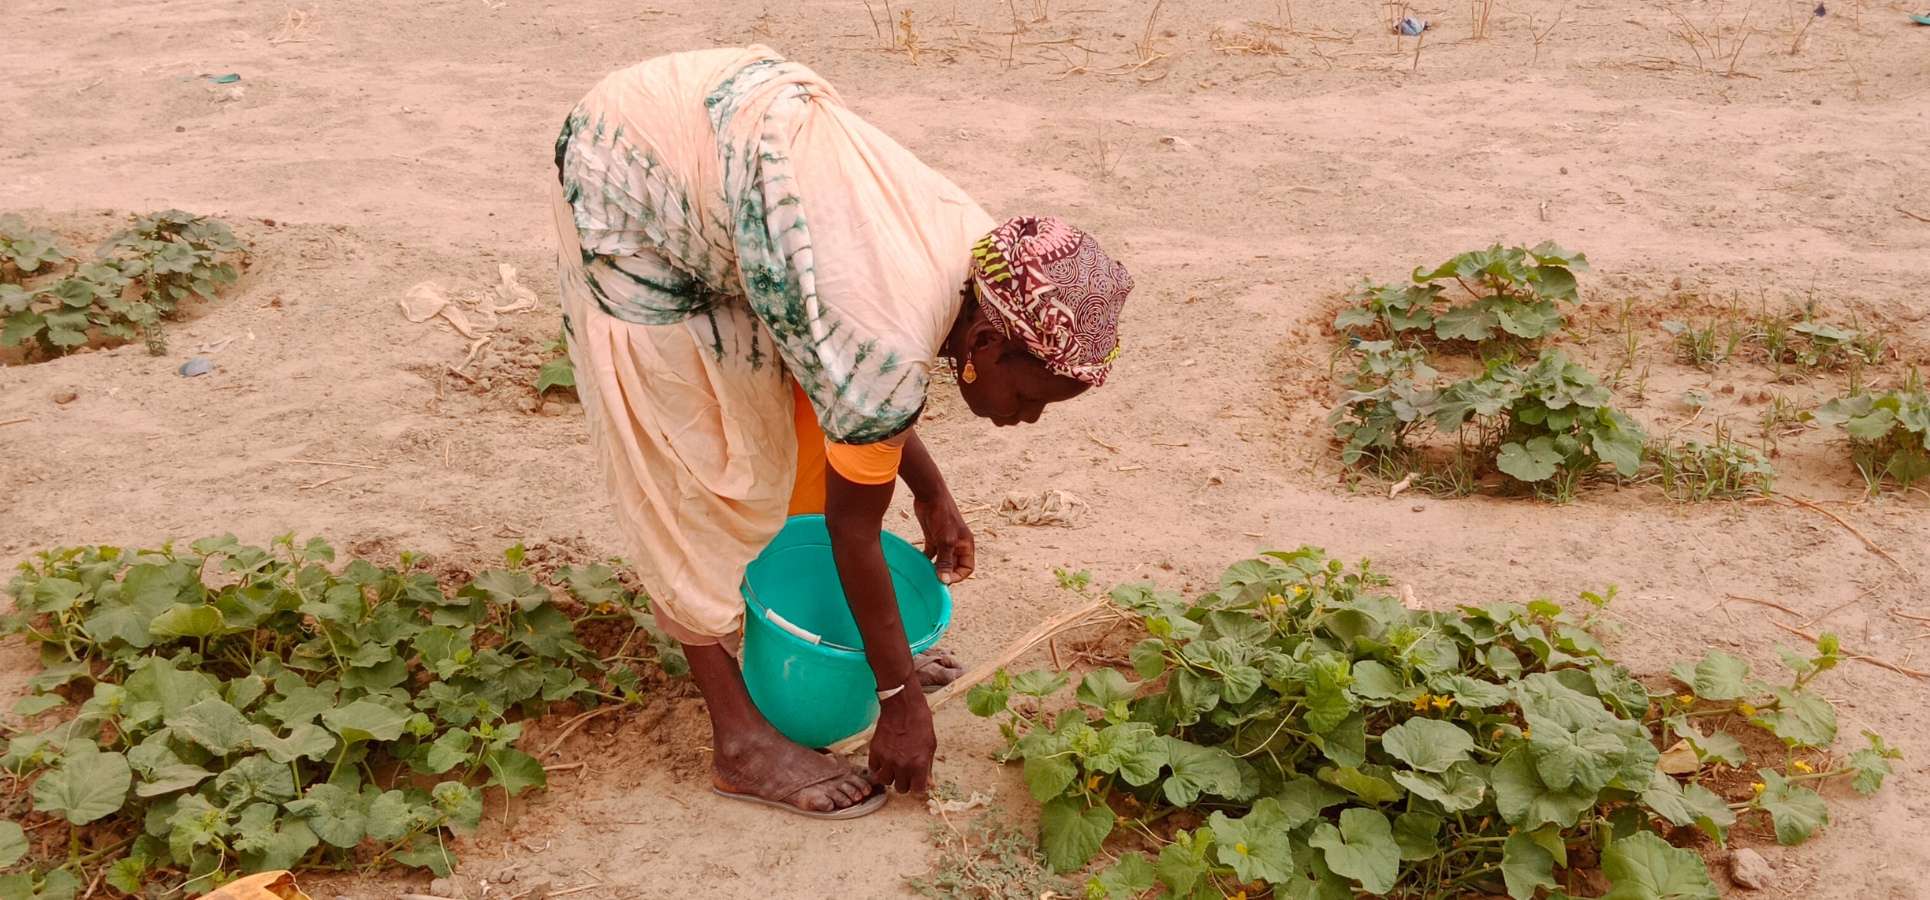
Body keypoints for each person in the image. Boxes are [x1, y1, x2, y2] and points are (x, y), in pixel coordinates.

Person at [549, 46, 1134, 818]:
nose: (1028, 417)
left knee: (777, 412)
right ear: (988, 346)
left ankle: (817, 646)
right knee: (691, 464)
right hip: (631, 177)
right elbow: (851, 524)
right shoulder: (885, 328)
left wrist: (932, 492)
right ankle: (739, 741)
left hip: (715, 136)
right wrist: (897, 701)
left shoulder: (983, 257)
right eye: (1035, 396)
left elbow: (856, 388)